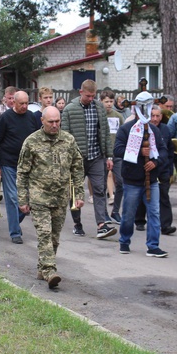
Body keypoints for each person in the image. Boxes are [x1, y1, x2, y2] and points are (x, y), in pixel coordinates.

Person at [17, 106, 84, 289]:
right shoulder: (32, 142)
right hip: (39, 196)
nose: (55, 125)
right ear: (42, 121)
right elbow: (22, 172)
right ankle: (49, 270)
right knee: (44, 233)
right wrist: (23, 199)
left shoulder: (68, 140)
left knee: (54, 237)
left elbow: (77, 168)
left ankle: (42, 268)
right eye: (51, 122)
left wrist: (78, 194)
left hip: (60, 197)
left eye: (57, 121)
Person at [114, 93, 169, 257]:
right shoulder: (126, 129)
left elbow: (163, 150)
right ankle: (124, 240)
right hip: (132, 180)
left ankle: (153, 245)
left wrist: (156, 162)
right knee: (129, 214)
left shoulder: (154, 131)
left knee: (154, 213)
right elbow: (117, 150)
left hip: (151, 180)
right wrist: (139, 151)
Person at [61, 79, 117, 238]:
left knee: (99, 189)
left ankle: (101, 225)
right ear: (81, 92)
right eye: (88, 96)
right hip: (77, 159)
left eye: (93, 96)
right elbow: (64, 136)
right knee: (75, 192)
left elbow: (105, 133)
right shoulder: (69, 110)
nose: (91, 99)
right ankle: (77, 224)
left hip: (96, 157)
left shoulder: (99, 108)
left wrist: (109, 156)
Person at [0, 91, 41, 243]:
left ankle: (15, 221)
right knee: (13, 198)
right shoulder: (6, 118)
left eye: (26, 103)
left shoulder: (31, 117)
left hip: (27, 165)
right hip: (8, 163)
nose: (25, 106)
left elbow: (37, 140)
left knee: (30, 199)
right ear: (14, 103)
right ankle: (15, 233)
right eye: (21, 104)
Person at [134, 105, 177, 236]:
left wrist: (170, 170)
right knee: (143, 195)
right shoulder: (141, 128)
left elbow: (169, 151)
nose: (155, 119)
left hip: (162, 168)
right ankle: (140, 220)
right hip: (145, 168)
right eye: (152, 116)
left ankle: (166, 225)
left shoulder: (165, 130)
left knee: (164, 197)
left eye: (158, 116)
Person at [102, 90, 125, 223]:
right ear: (101, 102)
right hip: (103, 155)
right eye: (106, 101)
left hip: (117, 155)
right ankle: (103, 212)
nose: (109, 104)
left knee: (120, 182)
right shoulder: (99, 116)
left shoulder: (118, 116)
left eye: (111, 101)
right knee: (102, 185)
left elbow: (122, 133)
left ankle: (115, 211)